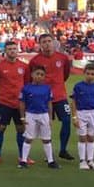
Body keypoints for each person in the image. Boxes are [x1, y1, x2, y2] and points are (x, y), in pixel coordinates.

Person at [29, 33, 73, 161]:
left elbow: (65, 74)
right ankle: (48, 154)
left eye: (49, 41)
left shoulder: (62, 58)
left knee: (66, 120)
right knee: (45, 125)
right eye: (44, 42)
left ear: (53, 42)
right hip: (43, 98)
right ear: (40, 44)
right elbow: (31, 78)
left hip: (60, 96)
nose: (47, 44)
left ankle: (63, 150)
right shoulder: (35, 61)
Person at [0, 40, 28, 165]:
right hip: (4, 103)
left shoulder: (23, 66)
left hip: (19, 104)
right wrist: (0, 95)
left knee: (21, 129)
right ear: (5, 51)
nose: (12, 51)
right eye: (10, 49)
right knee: (1, 127)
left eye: (14, 49)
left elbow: (27, 84)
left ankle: (23, 156)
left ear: (17, 50)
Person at [19, 65, 58, 169]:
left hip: (44, 114)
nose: (39, 76)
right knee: (28, 138)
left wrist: (50, 117)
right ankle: (23, 161)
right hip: (30, 114)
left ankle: (50, 161)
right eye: (37, 74)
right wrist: (22, 117)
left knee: (46, 138)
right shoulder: (26, 88)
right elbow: (22, 103)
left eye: (42, 74)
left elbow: (49, 103)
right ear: (32, 75)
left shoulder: (47, 88)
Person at [70, 62, 94, 170]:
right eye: (88, 73)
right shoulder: (78, 86)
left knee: (91, 137)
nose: (90, 76)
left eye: (92, 74)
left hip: (93, 113)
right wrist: (74, 117)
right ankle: (82, 161)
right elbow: (73, 102)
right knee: (82, 137)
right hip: (81, 113)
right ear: (84, 73)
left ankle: (90, 160)